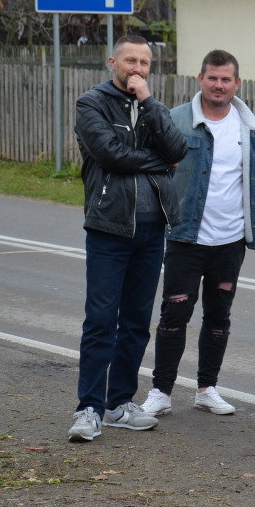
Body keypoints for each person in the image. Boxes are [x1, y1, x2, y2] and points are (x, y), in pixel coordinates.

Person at [68, 34, 187, 442]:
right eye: (129, 61)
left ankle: (120, 403)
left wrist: (149, 102)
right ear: (111, 62)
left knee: (136, 322)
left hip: (152, 230)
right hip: (109, 227)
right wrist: (159, 162)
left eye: (144, 62)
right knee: (101, 320)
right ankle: (88, 408)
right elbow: (109, 154)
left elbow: (178, 147)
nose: (137, 68)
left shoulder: (153, 107)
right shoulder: (91, 103)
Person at [140, 50, 255, 418]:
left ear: (237, 83)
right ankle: (161, 391)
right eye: (212, 78)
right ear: (200, 79)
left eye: (226, 79)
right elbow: (153, 168)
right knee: (174, 313)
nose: (219, 85)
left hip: (230, 241)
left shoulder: (252, 128)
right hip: (185, 236)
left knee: (219, 317)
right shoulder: (176, 120)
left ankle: (206, 388)